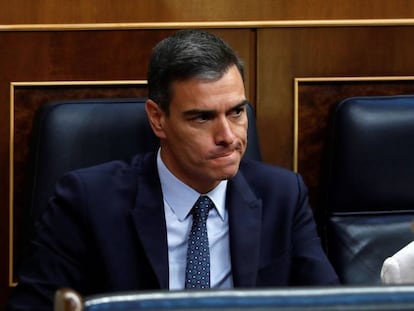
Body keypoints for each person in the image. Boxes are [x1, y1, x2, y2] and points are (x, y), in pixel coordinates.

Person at [7, 29, 338, 310]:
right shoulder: (88, 202)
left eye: (236, 112)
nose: (228, 136)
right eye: (202, 117)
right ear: (157, 119)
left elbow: (332, 304)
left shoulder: (283, 195)